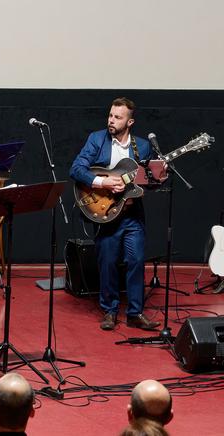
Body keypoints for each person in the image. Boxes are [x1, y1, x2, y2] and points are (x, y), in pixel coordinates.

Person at [69, 97, 160, 331]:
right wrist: (103, 182)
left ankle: (135, 313)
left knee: (136, 261)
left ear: (130, 122)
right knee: (107, 262)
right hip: (107, 213)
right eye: (110, 115)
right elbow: (76, 169)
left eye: (117, 117)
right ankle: (109, 310)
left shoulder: (143, 146)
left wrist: (158, 177)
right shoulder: (97, 139)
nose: (111, 120)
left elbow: (147, 183)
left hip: (132, 215)